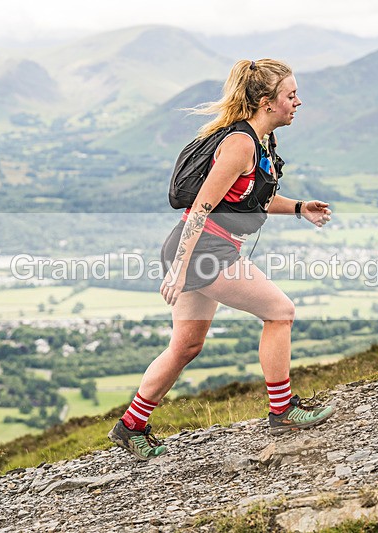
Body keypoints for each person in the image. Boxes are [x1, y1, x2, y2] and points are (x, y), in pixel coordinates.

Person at [109, 59, 335, 460]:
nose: (298, 102)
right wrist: (180, 268)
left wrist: (300, 207)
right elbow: (200, 207)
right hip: (202, 251)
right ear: (267, 102)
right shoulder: (240, 144)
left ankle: (131, 427)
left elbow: (255, 200)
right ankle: (282, 410)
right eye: (291, 95)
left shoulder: (261, 142)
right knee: (280, 311)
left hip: (204, 248)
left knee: (186, 345)